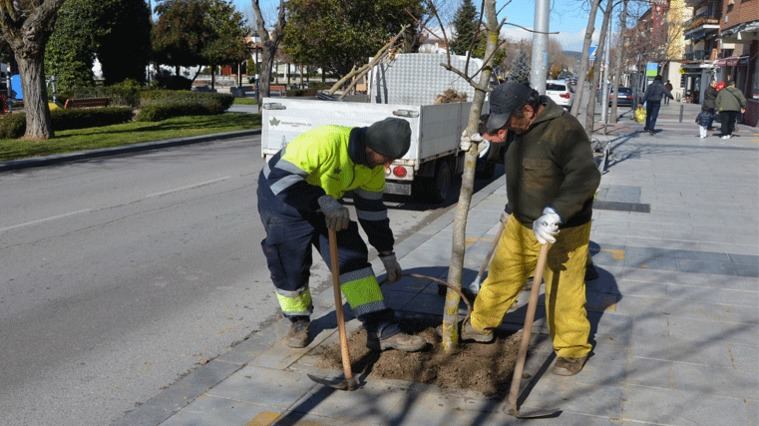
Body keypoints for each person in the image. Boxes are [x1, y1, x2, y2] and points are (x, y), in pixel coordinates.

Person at [461, 82, 601, 376]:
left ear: (527, 109)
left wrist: (556, 213)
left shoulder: (565, 131)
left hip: (563, 230)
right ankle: (479, 324)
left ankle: (572, 350)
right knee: (500, 277)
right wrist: (484, 147)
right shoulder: (518, 129)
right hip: (522, 223)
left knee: (564, 292)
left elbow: (585, 177)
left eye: (510, 121)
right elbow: (508, 157)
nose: (508, 128)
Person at [257, 117, 426, 352]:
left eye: (391, 161)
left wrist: (387, 253)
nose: (387, 165)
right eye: (386, 159)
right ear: (370, 148)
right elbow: (280, 178)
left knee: (352, 258)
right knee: (290, 263)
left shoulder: (373, 168)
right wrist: (319, 200)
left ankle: (380, 326)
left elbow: (373, 214)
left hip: (327, 201)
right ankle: (298, 320)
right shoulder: (324, 141)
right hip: (284, 199)